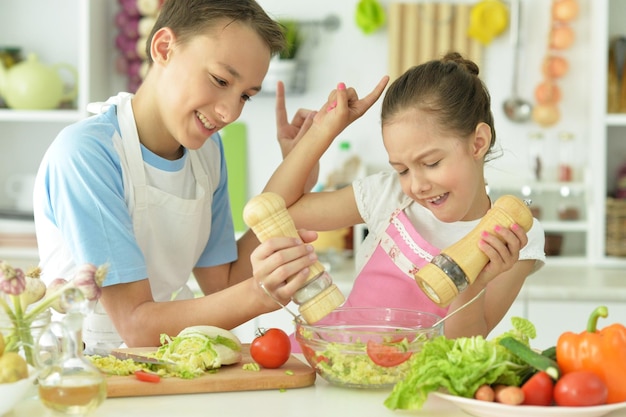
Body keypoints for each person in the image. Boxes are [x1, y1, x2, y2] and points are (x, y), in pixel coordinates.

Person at [33, 0, 388, 353]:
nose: (229, 111)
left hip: (161, 363)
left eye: (245, 96)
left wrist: (313, 143)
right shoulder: (88, 155)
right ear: (164, 48)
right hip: (76, 368)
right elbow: (135, 323)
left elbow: (225, 281)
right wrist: (259, 294)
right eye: (220, 80)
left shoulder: (207, 153)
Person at [258, 52, 545, 342]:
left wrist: (473, 281)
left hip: (413, 384)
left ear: (478, 143)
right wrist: (322, 131)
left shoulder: (515, 238)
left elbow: (462, 348)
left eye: (431, 163)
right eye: (402, 169)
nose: (417, 185)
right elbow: (272, 209)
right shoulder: (390, 195)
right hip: (336, 360)